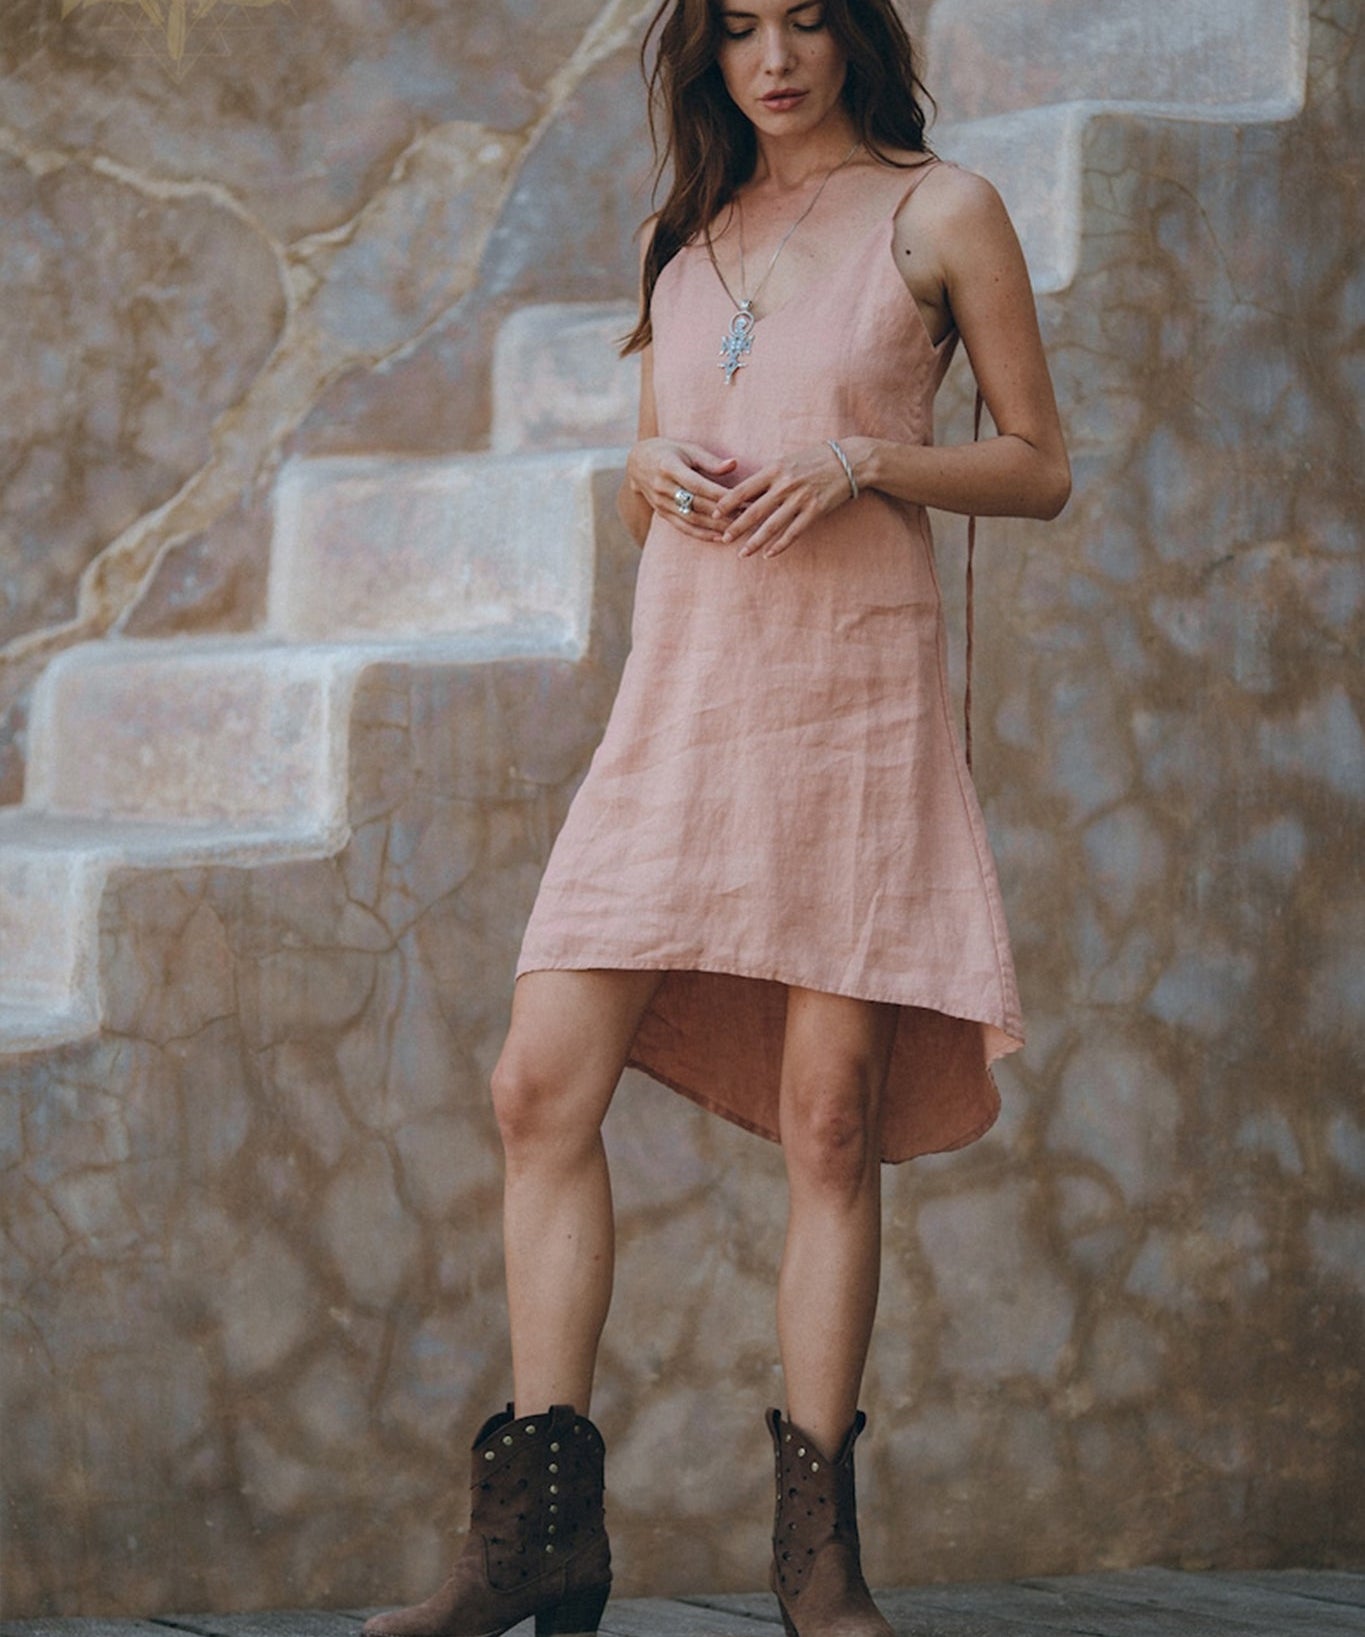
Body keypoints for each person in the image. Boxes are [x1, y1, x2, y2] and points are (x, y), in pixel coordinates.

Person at [365, 2, 1069, 1636]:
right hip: (682, 704)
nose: (775, 54)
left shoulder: (939, 207)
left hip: (849, 705)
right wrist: (645, 468)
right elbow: (644, 472)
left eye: (806, 18)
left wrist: (865, 458)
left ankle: (816, 1558)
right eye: (740, 24)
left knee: (832, 1119)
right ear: (706, 53)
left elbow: (1039, 465)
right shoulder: (684, 233)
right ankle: (536, 1532)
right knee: (538, 1082)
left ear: (853, 35)